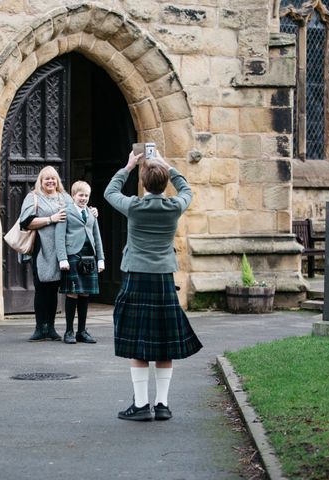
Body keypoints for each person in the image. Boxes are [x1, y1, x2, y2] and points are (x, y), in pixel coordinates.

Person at [104, 151, 203, 421]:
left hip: (136, 276)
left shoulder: (134, 206)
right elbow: (187, 189)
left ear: (144, 184)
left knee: (139, 342)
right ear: (164, 183)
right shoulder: (175, 206)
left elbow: (109, 192)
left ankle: (140, 405)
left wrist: (127, 166)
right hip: (163, 279)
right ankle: (162, 405)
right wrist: (167, 165)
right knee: (164, 342)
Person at [18, 167, 99, 342]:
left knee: (54, 289)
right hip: (42, 248)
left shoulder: (65, 197)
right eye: (46, 179)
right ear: (40, 181)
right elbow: (26, 223)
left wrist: (92, 212)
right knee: (41, 288)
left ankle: (52, 328)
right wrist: (50, 219)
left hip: (62, 250)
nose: (50, 181)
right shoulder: (33, 197)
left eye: (53, 178)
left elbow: (79, 211)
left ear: (57, 181)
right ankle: (40, 328)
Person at [55, 180, 105, 344]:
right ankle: (69, 331)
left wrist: (101, 259)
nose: (83, 198)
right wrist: (62, 258)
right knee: (72, 293)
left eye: (86, 195)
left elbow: (97, 237)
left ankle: (82, 331)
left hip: (88, 257)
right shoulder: (65, 212)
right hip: (72, 256)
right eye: (80, 195)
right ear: (73, 195)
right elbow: (59, 237)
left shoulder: (92, 213)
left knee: (85, 293)